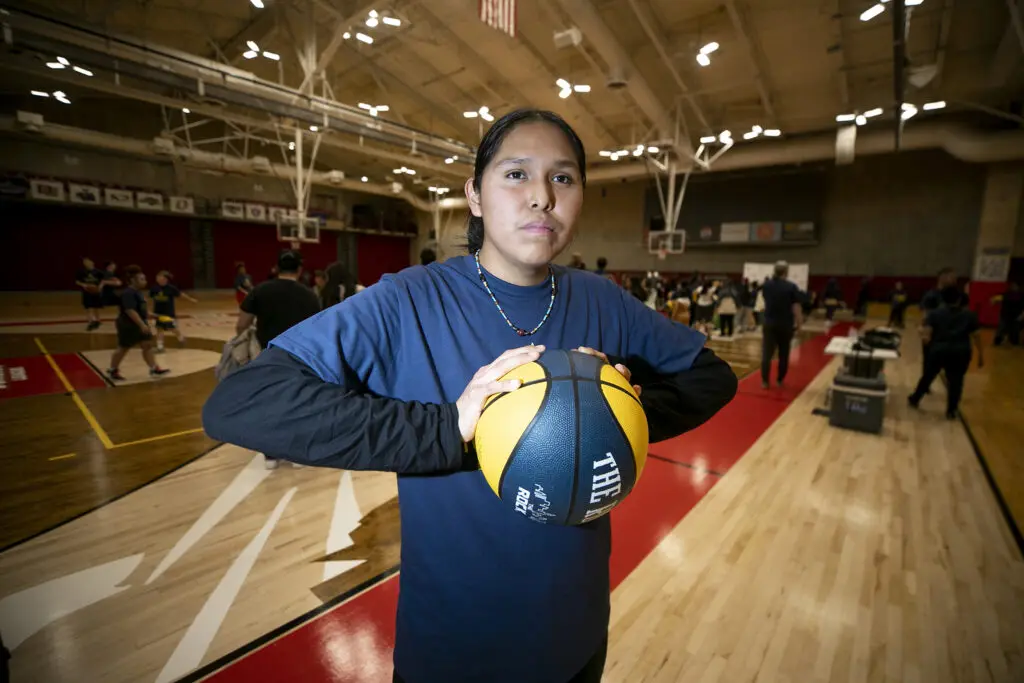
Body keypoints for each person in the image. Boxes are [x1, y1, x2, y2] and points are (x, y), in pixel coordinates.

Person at [202, 108, 738, 683]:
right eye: (515, 174)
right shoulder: (407, 301)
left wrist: (614, 413)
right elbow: (242, 401)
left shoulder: (601, 299)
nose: (541, 198)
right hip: (452, 651)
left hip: (575, 638)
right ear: (475, 196)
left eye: (563, 178)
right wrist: (450, 428)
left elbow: (711, 377)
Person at [235, 249, 321, 468]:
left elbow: (241, 324)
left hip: (268, 355)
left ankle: (271, 454)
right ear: (299, 270)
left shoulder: (260, 290)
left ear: (276, 268)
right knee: (300, 402)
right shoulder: (310, 295)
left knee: (269, 402)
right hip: (300, 357)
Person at [909, 285, 984, 419]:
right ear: (959, 299)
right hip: (961, 352)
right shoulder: (970, 315)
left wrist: (923, 336)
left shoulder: (935, 314)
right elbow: (977, 336)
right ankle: (951, 410)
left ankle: (915, 399)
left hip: (939, 350)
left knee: (928, 376)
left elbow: (927, 336)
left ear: (942, 299)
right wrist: (981, 356)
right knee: (956, 382)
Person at [107, 265, 169, 381]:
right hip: (128, 324)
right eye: (141, 279)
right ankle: (113, 370)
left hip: (140, 322)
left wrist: (154, 315)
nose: (144, 281)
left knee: (147, 345)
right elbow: (130, 310)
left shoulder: (138, 293)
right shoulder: (128, 293)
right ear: (132, 280)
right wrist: (142, 324)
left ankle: (154, 368)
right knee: (123, 347)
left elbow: (141, 310)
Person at [760, 261, 803, 389]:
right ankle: (779, 380)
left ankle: (765, 381)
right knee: (783, 354)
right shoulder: (791, 287)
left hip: (769, 323)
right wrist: (799, 324)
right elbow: (796, 307)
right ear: (786, 272)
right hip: (785, 324)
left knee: (767, 354)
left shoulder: (766, 285)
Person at [149, 270, 198, 352]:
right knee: (159, 328)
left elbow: (181, 295)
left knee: (172, 328)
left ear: (165, 279)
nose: (158, 279)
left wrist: (191, 299)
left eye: (160, 277)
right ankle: (160, 347)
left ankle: (181, 339)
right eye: (157, 277)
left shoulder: (171, 288)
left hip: (168, 313)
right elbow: (150, 298)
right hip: (158, 313)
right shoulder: (154, 288)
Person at [75, 257, 105, 331]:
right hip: (87, 292)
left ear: (92, 263)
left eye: (88, 262)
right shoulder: (81, 272)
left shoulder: (98, 272)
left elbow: (103, 280)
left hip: (96, 291)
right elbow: (77, 281)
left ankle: (98, 320)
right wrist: (83, 285)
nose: (86, 264)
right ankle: (90, 321)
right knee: (88, 307)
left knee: (96, 307)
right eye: (85, 262)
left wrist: (100, 287)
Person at [992, 281, 1023, 346]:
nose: (1013, 287)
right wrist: (994, 300)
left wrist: (1022, 315)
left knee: (1015, 330)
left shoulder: (1021, 296)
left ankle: (1014, 342)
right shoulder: (1007, 294)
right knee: (1001, 329)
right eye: (1012, 286)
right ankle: (998, 341)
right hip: (1005, 315)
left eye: (1015, 286)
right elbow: (997, 299)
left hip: (1016, 315)